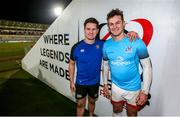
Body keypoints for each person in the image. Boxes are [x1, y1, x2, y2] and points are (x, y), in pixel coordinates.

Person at [68, 17, 139, 116]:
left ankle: (91, 115)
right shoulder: (76, 47)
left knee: (92, 102)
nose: (91, 32)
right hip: (80, 82)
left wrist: (129, 33)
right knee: (80, 104)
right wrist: (71, 81)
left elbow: (117, 38)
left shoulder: (103, 45)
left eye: (93, 29)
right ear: (84, 30)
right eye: (88, 29)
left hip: (94, 82)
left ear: (97, 30)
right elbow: (71, 64)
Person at [102, 8, 152, 116]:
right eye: (111, 24)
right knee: (116, 110)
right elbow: (105, 65)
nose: (114, 26)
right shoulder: (106, 45)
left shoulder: (136, 41)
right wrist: (105, 84)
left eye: (117, 23)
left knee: (132, 114)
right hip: (115, 86)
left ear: (124, 24)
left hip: (134, 87)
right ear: (108, 27)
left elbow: (147, 67)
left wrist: (145, 91)